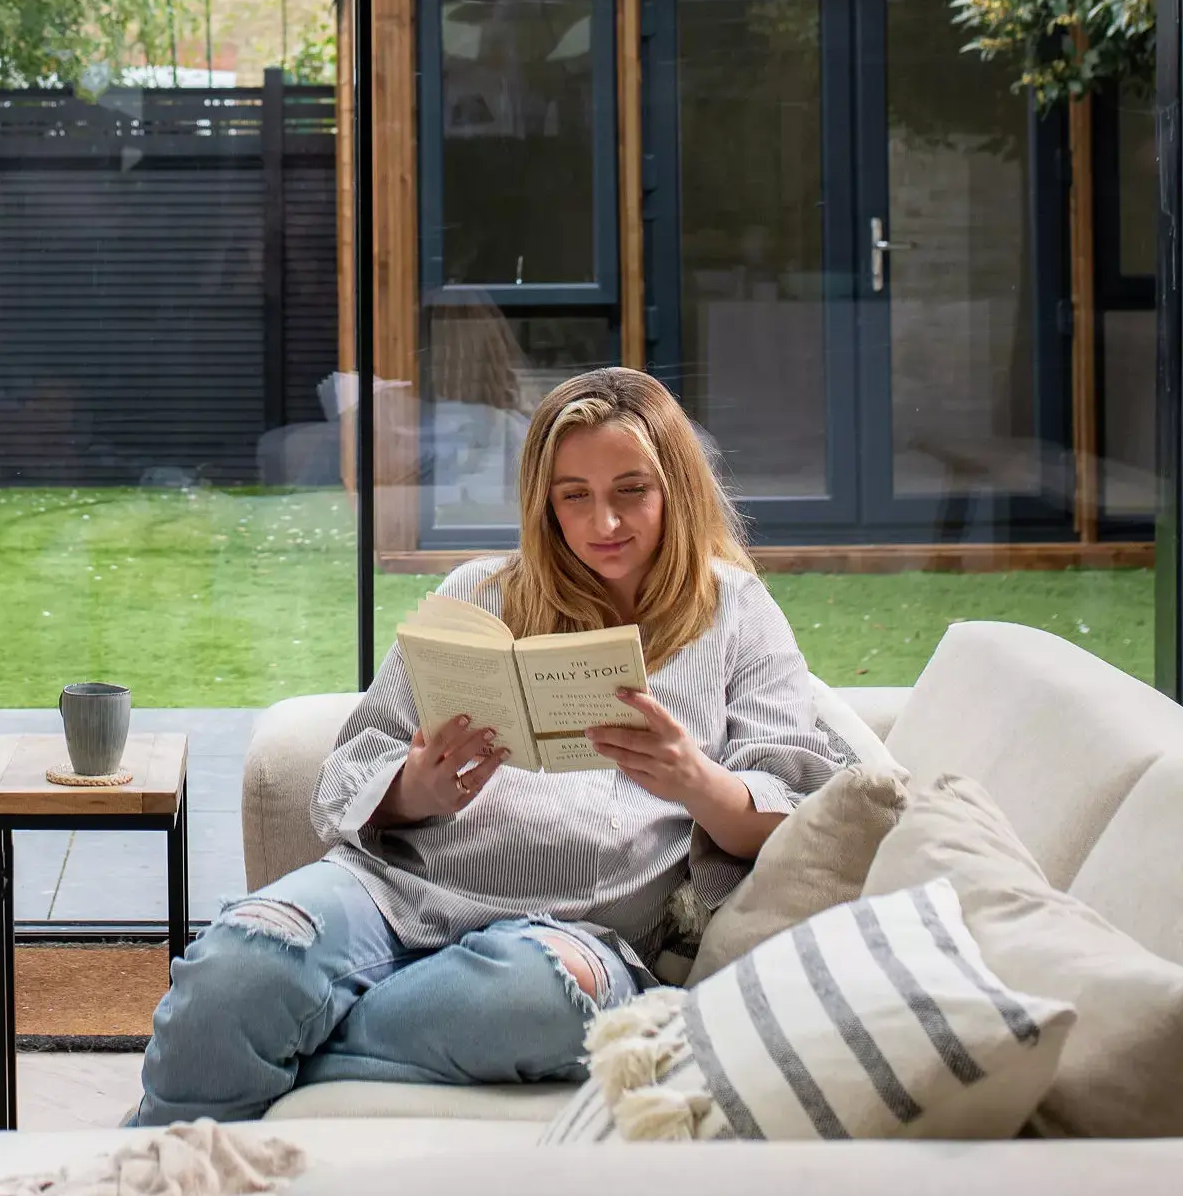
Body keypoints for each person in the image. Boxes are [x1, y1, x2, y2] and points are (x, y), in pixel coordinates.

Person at [133, 366, 843, 1124]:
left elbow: (797, 809)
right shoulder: (475, 593)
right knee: (242, 961)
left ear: (678, 488)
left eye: (631, 490)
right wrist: (415, 788)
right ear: (544, 501)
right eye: (575, 496)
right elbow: (354, 763)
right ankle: (157, 1158)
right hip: (398, 894)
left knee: (540, 999)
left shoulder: (736, 612)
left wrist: (696, 780)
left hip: (576, 935)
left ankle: (271, 1049)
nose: (604, 522)